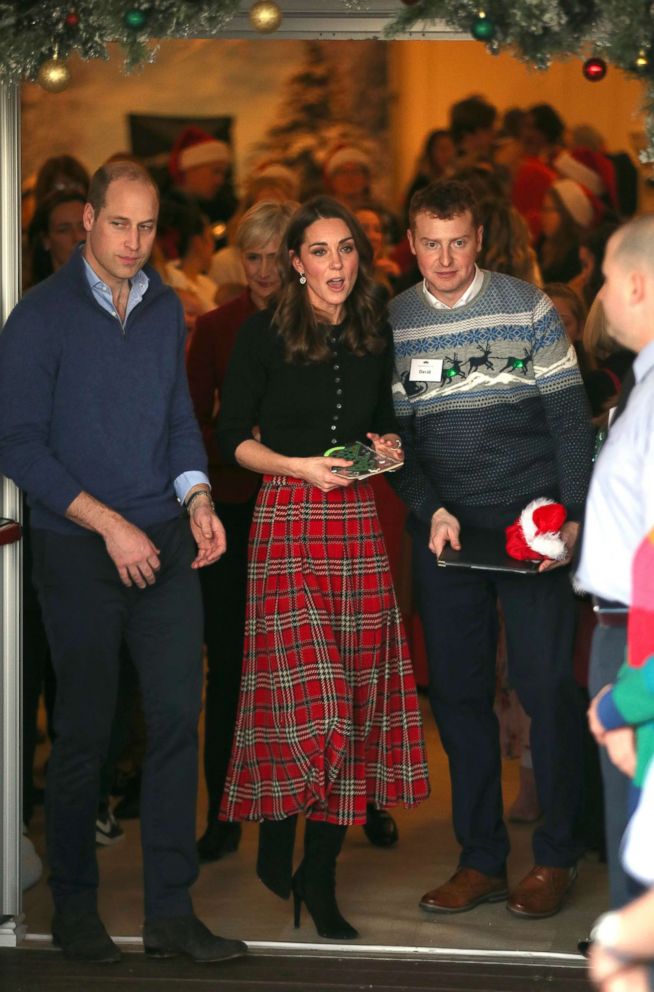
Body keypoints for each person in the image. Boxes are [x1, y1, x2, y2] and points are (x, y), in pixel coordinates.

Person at [0, 160, 247, 966]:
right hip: (79, 549)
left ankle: (171, 915)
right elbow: (17, 446)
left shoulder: (163, 305)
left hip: (166, 542)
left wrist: (200, 500)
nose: (134, 242)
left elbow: (179, 419)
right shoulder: (39, 318)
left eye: (146, 228)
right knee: (85, 733)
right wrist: (108, 525)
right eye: (119, 225)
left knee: (178, 721)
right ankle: (74, 909)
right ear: (86, 221)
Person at [217, 195, 430, 940]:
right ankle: (280, 823)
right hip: (285, 520)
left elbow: (385, 434)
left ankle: (320, 872)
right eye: (321, 252)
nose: (336, 264)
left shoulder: (377, 332)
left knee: (358, 702)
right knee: (316, 701)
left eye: (346, 250)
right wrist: (298, 467)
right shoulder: (260, 334)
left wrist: (387, 454)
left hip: (356, 528)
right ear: (295, 262)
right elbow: (229, 440)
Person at [389, 179, 594, 920]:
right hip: (446, 528)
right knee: (459, 695)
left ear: (480, 241)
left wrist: (567, 520)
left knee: (545, 688)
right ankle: (480, 861)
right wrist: (428, 508)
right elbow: (397, 447)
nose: (445, 258)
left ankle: (557, 855)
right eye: (431, 243)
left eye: (459, 241)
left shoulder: (528, 309)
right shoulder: (395, 321)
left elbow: (571, 424)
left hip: (530, 522)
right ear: (411, 244)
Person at [187, 199, 295, 863]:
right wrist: (240, 445)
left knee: (306, 665)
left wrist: (277, 445)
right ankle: (224, 814)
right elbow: (188, 427)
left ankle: (332, 807)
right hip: (230, 511)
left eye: (271, 258)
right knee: (227, 666)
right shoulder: (220, 326)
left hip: (298, 511)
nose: (260, 270)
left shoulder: (318, 325)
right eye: (250, 257)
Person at [576, 213, 654, 912]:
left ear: (636, 284)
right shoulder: (644, 384)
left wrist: (632, 692)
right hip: (624, 631)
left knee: (643, 864)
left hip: (640, 646)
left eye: (603, 279)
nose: (598, 294)